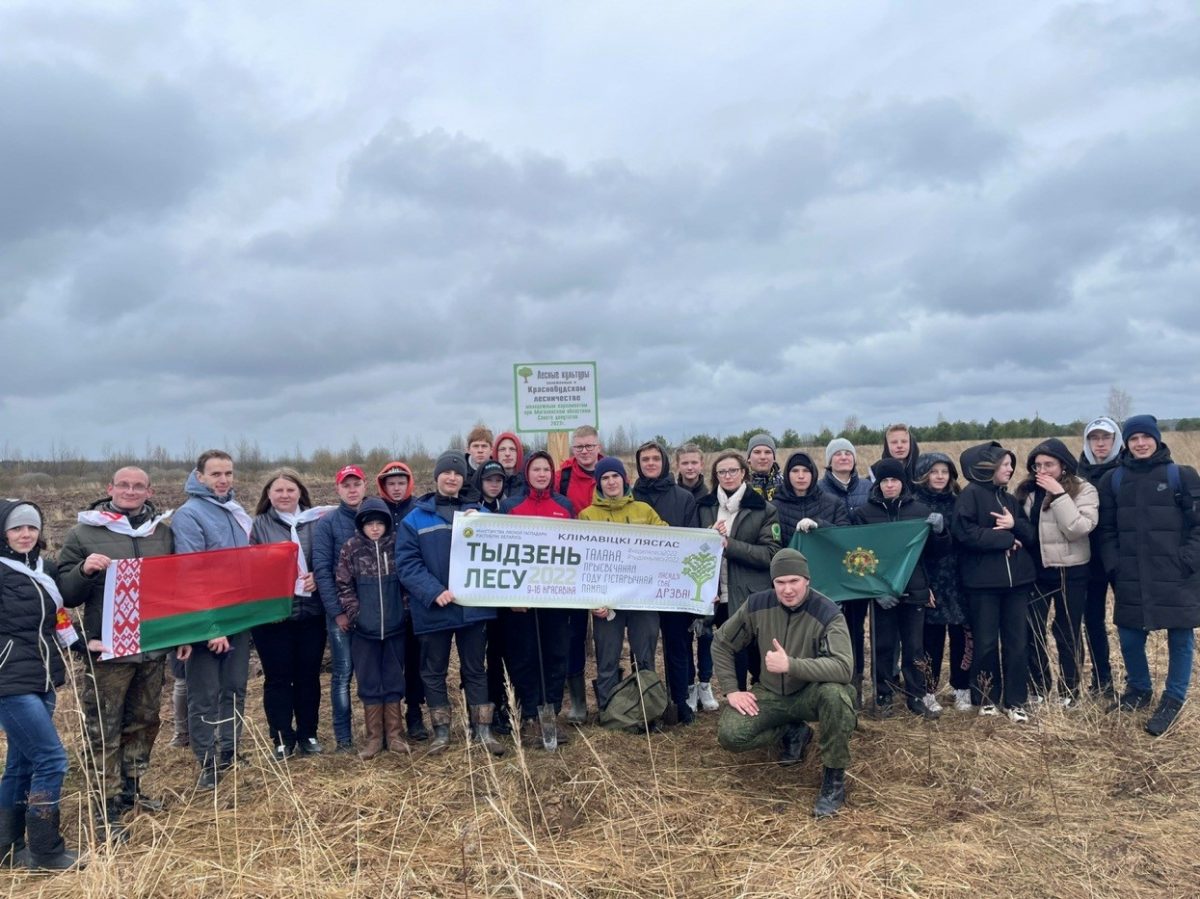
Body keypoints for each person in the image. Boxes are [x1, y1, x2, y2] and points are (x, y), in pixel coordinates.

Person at [57, 466, 173, 836]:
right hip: (107, 650)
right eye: (123, 485)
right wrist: (84, 570)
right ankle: (104, 803)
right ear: (110, 489)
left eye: (138, 486)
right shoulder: (84, 532)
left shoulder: (162, 532)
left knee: (144, 721)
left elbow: (175, 585)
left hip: (151, 645)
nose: (130, 490)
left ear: (148, 491)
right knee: (103, 728)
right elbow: (63, 592)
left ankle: (131, 790)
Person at [713, 549, 856, 818]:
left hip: (811, 693)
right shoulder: (757, 605)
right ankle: (793, 732)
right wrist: (732, 690)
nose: (787, 589)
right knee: (731, 735)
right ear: (773, 583)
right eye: (780, 582)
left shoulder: (828, 612)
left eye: (794, 581)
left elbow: (844, 667)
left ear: (807, 580)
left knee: (837, 695)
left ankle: (833, 780)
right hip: (770, 693)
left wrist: (792, 665)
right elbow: (721, 642)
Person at [1098, 415, 1200, 736]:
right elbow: (1106, 530)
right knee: (1129, 636)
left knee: (1181, 638)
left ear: (1156, 439)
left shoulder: (1181, 476)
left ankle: (1173, 697)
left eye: (1146, 437)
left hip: (1177, 574)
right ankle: (1140, 689)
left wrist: (1186, 559)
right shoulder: (1113, 480)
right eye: (1133, 438)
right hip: (1131, 574)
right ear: (1125, 443)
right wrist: (1115, 564)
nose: (1140, 443)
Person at [396, 451, 502, 755]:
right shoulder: (414, 519)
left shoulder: (478, 514)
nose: (452, 478)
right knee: (433, 670)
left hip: (472, 607)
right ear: (437, 477)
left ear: (463, 479)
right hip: (434, 609)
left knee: (475, 669)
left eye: (457, 474)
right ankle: (441, 732)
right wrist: (433, 590)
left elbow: (503, 543)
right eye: (446, 473)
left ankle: (482, 730)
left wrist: (483, 523)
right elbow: (407, 564)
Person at [0, 500, 82, 870]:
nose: (25, 534)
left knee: (19, 765)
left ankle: (7, 847)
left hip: (44, 676)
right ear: (4, 532)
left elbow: (57, 614)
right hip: (9, 680)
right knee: (51, 759)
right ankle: (46, 849)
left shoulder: (41, 568)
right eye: (17, 528)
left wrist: (80, 645)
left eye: (31, 527)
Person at [171, 450, 254, 787]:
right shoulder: (189, 515)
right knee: (204, 693)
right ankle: (208, 762)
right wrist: (209, 626)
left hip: (239, 616)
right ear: (199, 476)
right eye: (216, 474)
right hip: (208, 620)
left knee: (234, 688)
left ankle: (229, 751)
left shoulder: (234, 512)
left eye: (228, 474)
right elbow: (191, 574)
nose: (223, 480)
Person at [851, 458, 946, 718]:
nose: (890, 485)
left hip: (914, 589)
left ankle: (916, 697)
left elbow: (933, 553)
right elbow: (859, 558)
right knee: (883, 646)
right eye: (885, 481)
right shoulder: (864, 513)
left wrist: (939, 532)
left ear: (902, 483)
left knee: (914, 647)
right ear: (878, 484)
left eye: (894, 480)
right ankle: (883, 695)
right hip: (882, 594)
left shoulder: (919, 510)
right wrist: (875, 590)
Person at [248, 469, 330, 760]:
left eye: (290, 490)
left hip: (311, 613)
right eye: (278, 490)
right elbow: (250, 567)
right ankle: (281, 737)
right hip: (273, 618)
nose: (284, 495)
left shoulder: (318, 521)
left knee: (308, 676)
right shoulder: (257, 525)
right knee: (277, 678)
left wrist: (318, 577)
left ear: (300, 493)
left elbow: (329, 557)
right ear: (268, 495)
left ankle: (308, 733)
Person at [952, 442, 1037, 722]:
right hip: (982, 585)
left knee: (1017, 643)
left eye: (1011, 465)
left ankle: (1015, 701)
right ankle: (986, 698)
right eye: (1004, 464)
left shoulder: (1010, 499)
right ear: (986, 467)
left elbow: (1030, 536)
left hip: (1017, 584)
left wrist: (1015, 528)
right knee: (986, 642)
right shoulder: (970, 496)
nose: (1010, 469)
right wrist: (1003, 539)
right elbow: (964, 534)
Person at [1015, 439, 1099, 708]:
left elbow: (1078, 528)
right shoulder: (1027, 492)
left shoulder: (1083, 490)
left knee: (1067, 631)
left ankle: (1070, 691)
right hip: (1035, 572)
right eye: (1037, 465)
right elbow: (1025, 529)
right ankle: (1039, 687)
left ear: (1063, 465)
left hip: (1070, 571)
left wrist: (1059, 495)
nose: (1043, 470)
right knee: (1032, 629)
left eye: (1049, 464)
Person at [579, 457, 667, 712]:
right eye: (605, 478)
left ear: (624, 479)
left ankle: (646, 706)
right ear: (599, 483)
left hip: (643, 599)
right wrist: (593, 601)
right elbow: (583, 564)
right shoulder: (587, 516)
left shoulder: (644, 511)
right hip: (607, 603)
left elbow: (669, 543)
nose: (611, 482)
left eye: (615, 476)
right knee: (607, 657)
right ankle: (609, 709)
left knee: (645, 656)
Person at [499, 451, 575, 745]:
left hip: (556, 597)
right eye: (536, 469)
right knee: (525, 656)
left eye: (546, 469)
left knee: (556, 654)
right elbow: (502, 553)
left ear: (552, 474)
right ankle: (530, 715)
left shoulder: (564, 506)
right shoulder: (511, 506)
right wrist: (512, 596)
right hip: (522, 601)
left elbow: (574, 551)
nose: (541, 474)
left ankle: (551, 714)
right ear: (527, 473)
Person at [696, 450, 782, 692]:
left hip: (749, 593)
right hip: (716, 593)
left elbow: (771, 553)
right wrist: (707, 536)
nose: (728, 476)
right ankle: (736, 700)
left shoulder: (764, 509)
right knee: (729, 652)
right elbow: (692, 546)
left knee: (753, 652)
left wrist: (729, 545)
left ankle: (763, 697)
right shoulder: (704, 507)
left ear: (743, 473)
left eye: (733, 470)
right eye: (722, 471)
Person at [632, 440, 701, 724]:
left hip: (674, 586)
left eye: (654, 459)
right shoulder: (630, 496)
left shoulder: (683, 497)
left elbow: (694, 541)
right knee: (642, 649)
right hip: (638, 587)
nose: (650, 463)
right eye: (645, 459)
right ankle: (646, 704)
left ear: (664, 463)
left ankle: (680, 702)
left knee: (678, 645)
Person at [336, 497, 409, 758]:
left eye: (380, 523)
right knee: (368, 681)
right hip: (364, 630)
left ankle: (395, 734)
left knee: (392, 678)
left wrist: (403, 610)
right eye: (370, 524)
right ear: (361, 525)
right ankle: (374, 737)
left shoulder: (397, 544)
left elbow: (407, 580)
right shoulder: (351, 548)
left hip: (394, 627)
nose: (375, 528)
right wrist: (355, 614)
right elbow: (343, 584)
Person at [312, 464, 369, 753]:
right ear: (338, 489)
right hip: (342, 614)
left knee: (371, 672)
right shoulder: (328, 523)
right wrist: (337, 612)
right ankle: (344, 738)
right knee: (343, 673)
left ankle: (376, 733)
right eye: (346, 485)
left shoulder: (375, 518)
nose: (352, 489)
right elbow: (322, 570)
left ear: (364, 486)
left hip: (372, 610)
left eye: (356, 484)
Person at [913, 453, 973, 712]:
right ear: (924, 474)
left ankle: (962, 688)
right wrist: (921, 586)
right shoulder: (914, 505)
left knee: (962, 636)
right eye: (934, 471)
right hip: (930, 581)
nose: (939, 476)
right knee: (931, 639)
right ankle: (928, 690)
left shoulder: (959, 502)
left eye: (944, 471)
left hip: (959, 579)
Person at [374, 460, 428, 741]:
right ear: (383, 486)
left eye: (401, 483)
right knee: (392, 662)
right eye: (391, 484)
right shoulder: (375, 513)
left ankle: (415, 714)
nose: (397, 488)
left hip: (415, 599)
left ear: (409, 484)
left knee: (416, 659)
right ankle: (388, 722)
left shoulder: (419, 510)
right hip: (387, 600)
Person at [817, 436, 872, 704]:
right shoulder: (819, 490)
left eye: (847, 454)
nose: (843, 458)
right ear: (829, 461)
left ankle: (856, 682)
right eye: (837, 454)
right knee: (832, 628)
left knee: (856, 629)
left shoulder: (868, 488)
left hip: (860, 568)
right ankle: (834, 680)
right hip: (831, 570)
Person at [556, 426, 604, 723]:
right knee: (572, 634)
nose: (584, 451)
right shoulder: (562, 475)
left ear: (598, 446)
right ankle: (577, 702)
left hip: (605, 563)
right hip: (572, 563)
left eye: (589, 446)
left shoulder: (611, 471)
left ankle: (609, 695)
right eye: (579, 447)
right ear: (573, 449)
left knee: (608, 633)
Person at [1076, 417, 1123, 697]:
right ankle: (1102, 679)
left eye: (1106, 437)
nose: (1101, 443)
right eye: (1095, 438)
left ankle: (1135, 677)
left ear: (1116, 439)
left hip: (1120, 558)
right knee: (1092, 620)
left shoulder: (1127, 470)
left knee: (1129, 619)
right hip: (1089, 559)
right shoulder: (1077, 474)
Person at [774, 450, 849, 547]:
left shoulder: (834, 503)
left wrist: (820, 525)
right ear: (787, 475)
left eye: (806, 471)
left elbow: (845, 536)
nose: (801, 476)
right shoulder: (774, 508)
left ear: (813, 474)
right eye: (795, 471)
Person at [746, 433, 783, 500]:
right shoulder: (740, 484)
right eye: (757, 452)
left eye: (768, 452)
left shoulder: (786, 484)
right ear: (749, 458)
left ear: (774, 458)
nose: (763, 457)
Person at [493, 431, 526, 498]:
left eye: (512, 449)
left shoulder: (528, 483)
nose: (507, 454)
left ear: (519, 453)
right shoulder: (487, 483)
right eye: (502, 449)